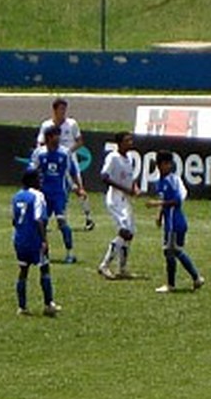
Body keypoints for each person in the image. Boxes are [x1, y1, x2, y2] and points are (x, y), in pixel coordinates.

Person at [147, 151, 205, 293]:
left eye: (169, 164)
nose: (167, 166)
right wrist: (159, 215)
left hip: (175, 222)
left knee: (172, 251)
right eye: (164, 164)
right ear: (159, 165)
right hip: (171, 222)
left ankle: (184, 281)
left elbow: (177, 201)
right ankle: (192, 279)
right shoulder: (160, 182)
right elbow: (164, 201)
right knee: (172, 251)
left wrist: (156, 204)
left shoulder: (171, 180)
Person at [31, 126, 87, 264]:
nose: (59, 138)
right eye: (56, 135)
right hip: (43, 195)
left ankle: (69, 253)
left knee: (62, 222)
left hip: (59, 194)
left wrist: (79, 188)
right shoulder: (40, 153)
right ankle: (43, 252)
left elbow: (73, 172)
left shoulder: (64, 153)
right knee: (41, 223)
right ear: (49, 137)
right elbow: (31, 170)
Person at [37, 97, 94, 231]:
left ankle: (88, 217)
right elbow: (40, 143)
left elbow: (80, 141)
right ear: (54, 110)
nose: (63, 112)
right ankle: (57, 217)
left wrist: (68, 151)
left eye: (64, 109)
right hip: (53, 160)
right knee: (58, 188)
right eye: (60, 109)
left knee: (78, 187)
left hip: (69, 160)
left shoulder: (72, 124)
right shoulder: (46, 125)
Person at [11, 167, 61, 317]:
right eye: (38, 178)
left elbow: (14, 219)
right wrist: (44, 239)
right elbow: (39, 219)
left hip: (20, 239)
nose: (41, 181)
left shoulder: (16, 196)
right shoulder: (38, 195)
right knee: (44, 268)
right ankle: (48, 304)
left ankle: (22, 307)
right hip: (34, 239)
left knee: (23, 271)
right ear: (31, 180)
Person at [98, 131, 140, 279]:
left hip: (126, 200)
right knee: (124, 232)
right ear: (120, 143)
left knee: (130, 234)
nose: (131, 143)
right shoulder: (113, 157)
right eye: (127, 141)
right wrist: (123, 188)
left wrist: (134, 187)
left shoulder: (128, 159)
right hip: (116, 198)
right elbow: (104, 177)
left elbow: (131, 178)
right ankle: (104, 265)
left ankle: (122, 268)